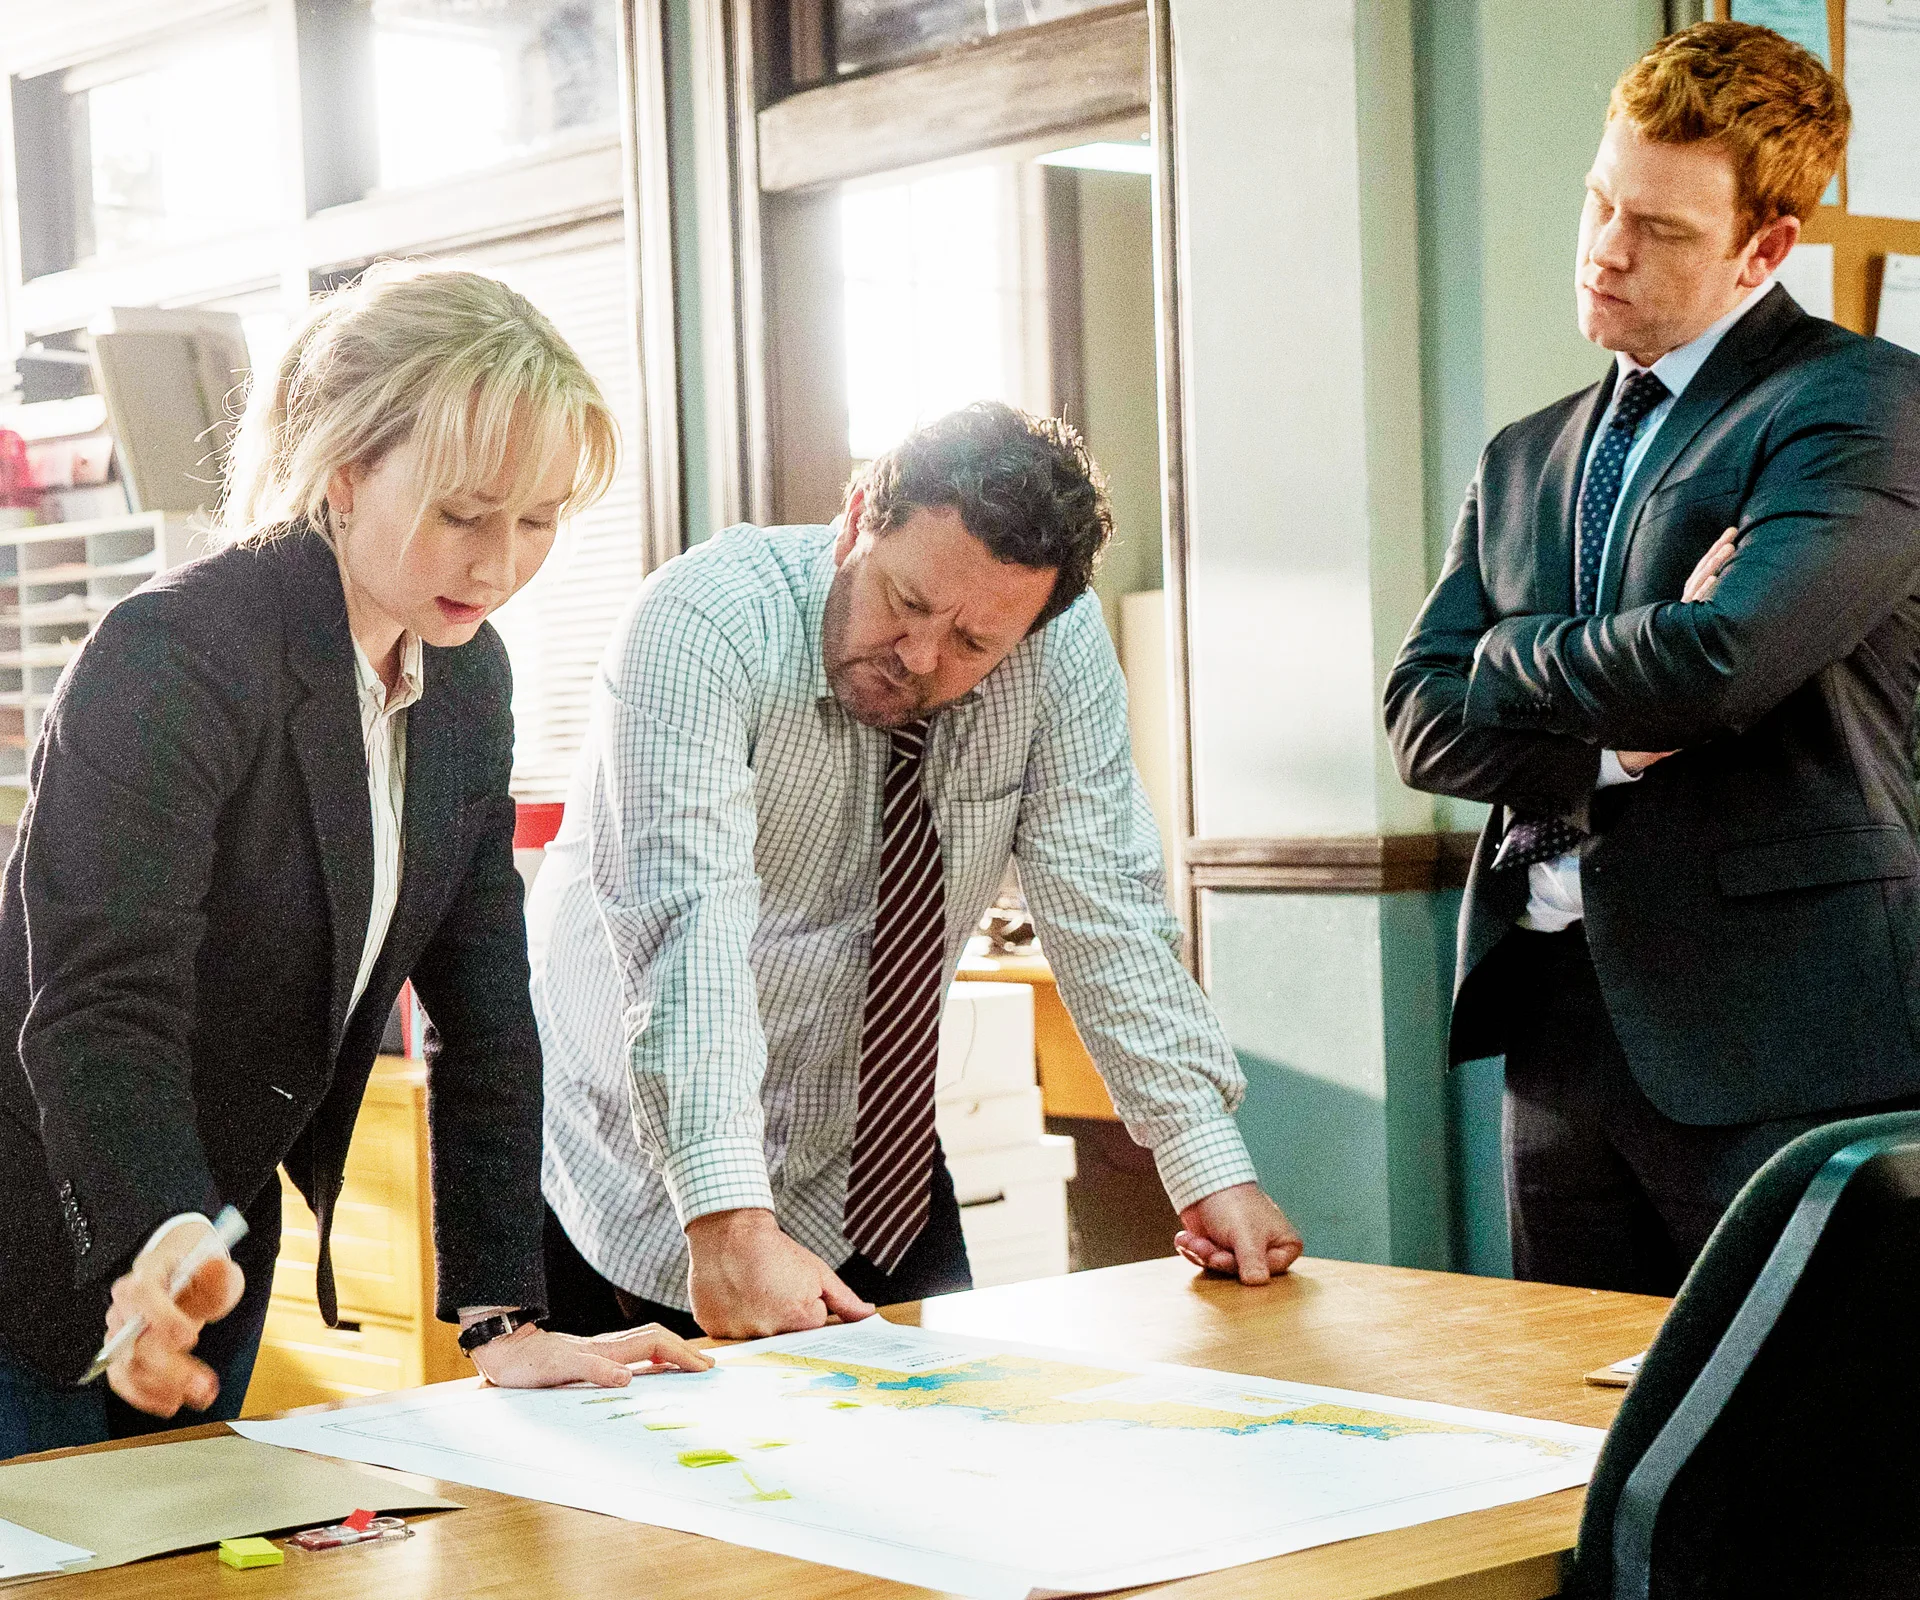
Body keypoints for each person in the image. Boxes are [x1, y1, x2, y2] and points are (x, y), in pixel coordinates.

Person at [0, 265, 711, 1462]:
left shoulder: (465, 677)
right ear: (342, 469)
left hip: (210, 1239)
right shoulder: (173, 655)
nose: (498, 567)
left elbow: (486, 1006)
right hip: (47, 1209)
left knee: (187, 1546)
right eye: (464, 514)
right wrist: (158, 1231)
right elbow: (101, 1002)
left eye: (538, 521)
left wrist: (503, 1316)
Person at [531, 401, 1303, 1340]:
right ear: (859, 517)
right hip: (630, 1157)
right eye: (906, 601)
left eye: (974, 645)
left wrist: (1207, 1164)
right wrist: (730, 1224)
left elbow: (1106, 903)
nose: (921, 657)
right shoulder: (704, 621)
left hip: (864, 1164)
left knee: (942, 1423)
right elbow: (687, 933)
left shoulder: (1054, 648)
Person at [1385, 22, 1920, 1294]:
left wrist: (1506, 649)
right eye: (1600, 202)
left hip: (1784, 1036)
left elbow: (1720, 662)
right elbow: (1419, 715)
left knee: (1797, 1409)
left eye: (1662, 229)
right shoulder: (1525, 453)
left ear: (1763, 250)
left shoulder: (1860, 403)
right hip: (1553, 1024)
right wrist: (1615, 746)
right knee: (1555, 1398)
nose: (1606, 250)